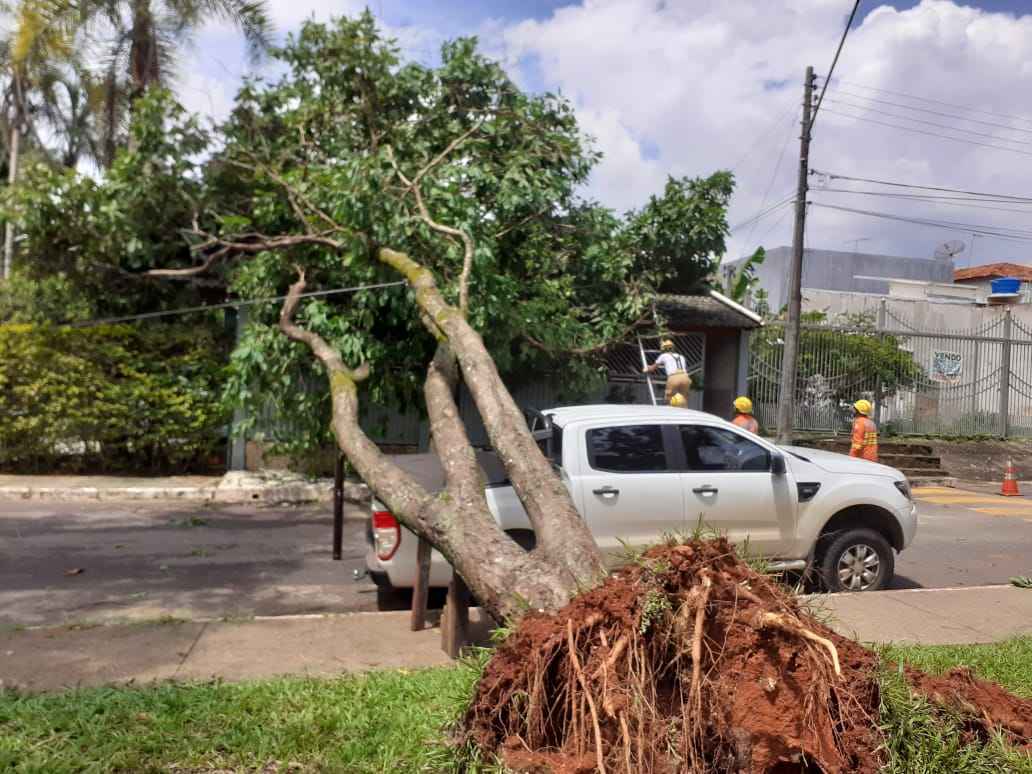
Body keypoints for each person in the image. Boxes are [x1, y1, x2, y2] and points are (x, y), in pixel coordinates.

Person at [644, 339, 692, 406]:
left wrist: (646, 369)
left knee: (669, 399)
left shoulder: (664, 356)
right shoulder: (681, 356)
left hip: (673, 378)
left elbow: (652, 368)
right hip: (685, 377)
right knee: (683, 400)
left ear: (664, 349)